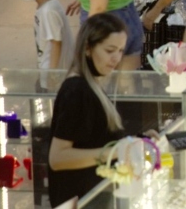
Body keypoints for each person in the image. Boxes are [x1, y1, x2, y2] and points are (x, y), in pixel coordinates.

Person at [48, 14, 132, 207]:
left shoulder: (89, 85)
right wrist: (113, 153)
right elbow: (57, 158)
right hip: (81, 198)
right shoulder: (77, 91)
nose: (116, 59)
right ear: (87, 47)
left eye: (120, 51)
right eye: (110, 50)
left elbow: (95, 137)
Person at [14, 0, 73, 71]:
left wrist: (52, 74)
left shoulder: (48, 11)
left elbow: (56, 43)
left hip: (52, 73)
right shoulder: (47, 5)